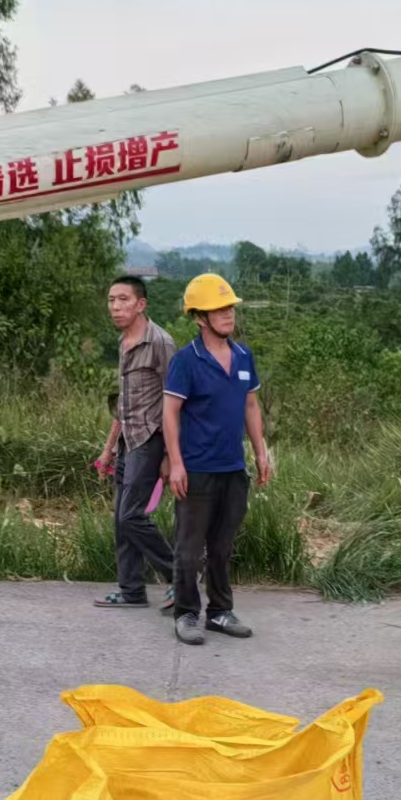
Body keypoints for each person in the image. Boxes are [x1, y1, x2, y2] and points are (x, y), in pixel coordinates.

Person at [162, 274, 273, 646]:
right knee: (189, 549)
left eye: (230, 307)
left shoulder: (243, 357)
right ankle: (186, 614)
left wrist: (260, 452)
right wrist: (176, 463)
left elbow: (251, 406)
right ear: (199, 317)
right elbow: (170, 414)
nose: (228, 314)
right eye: (218, 309)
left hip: (232, 469)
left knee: (223, 546)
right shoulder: (186, 361)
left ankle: (220, 612)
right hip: (196, 470)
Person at [94, 275, 177, 611]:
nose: (115, 306)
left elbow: (175, 400)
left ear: (141, 304)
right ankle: (131, 591)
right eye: (111, 300)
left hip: (150, 439)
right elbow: (124, 402)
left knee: (131, 515)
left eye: (123, 299)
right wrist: (108, 448)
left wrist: (170, 455)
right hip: (127, 440)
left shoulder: (160, 342)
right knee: (120, 518)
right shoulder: (124, 341)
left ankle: (179, 574)